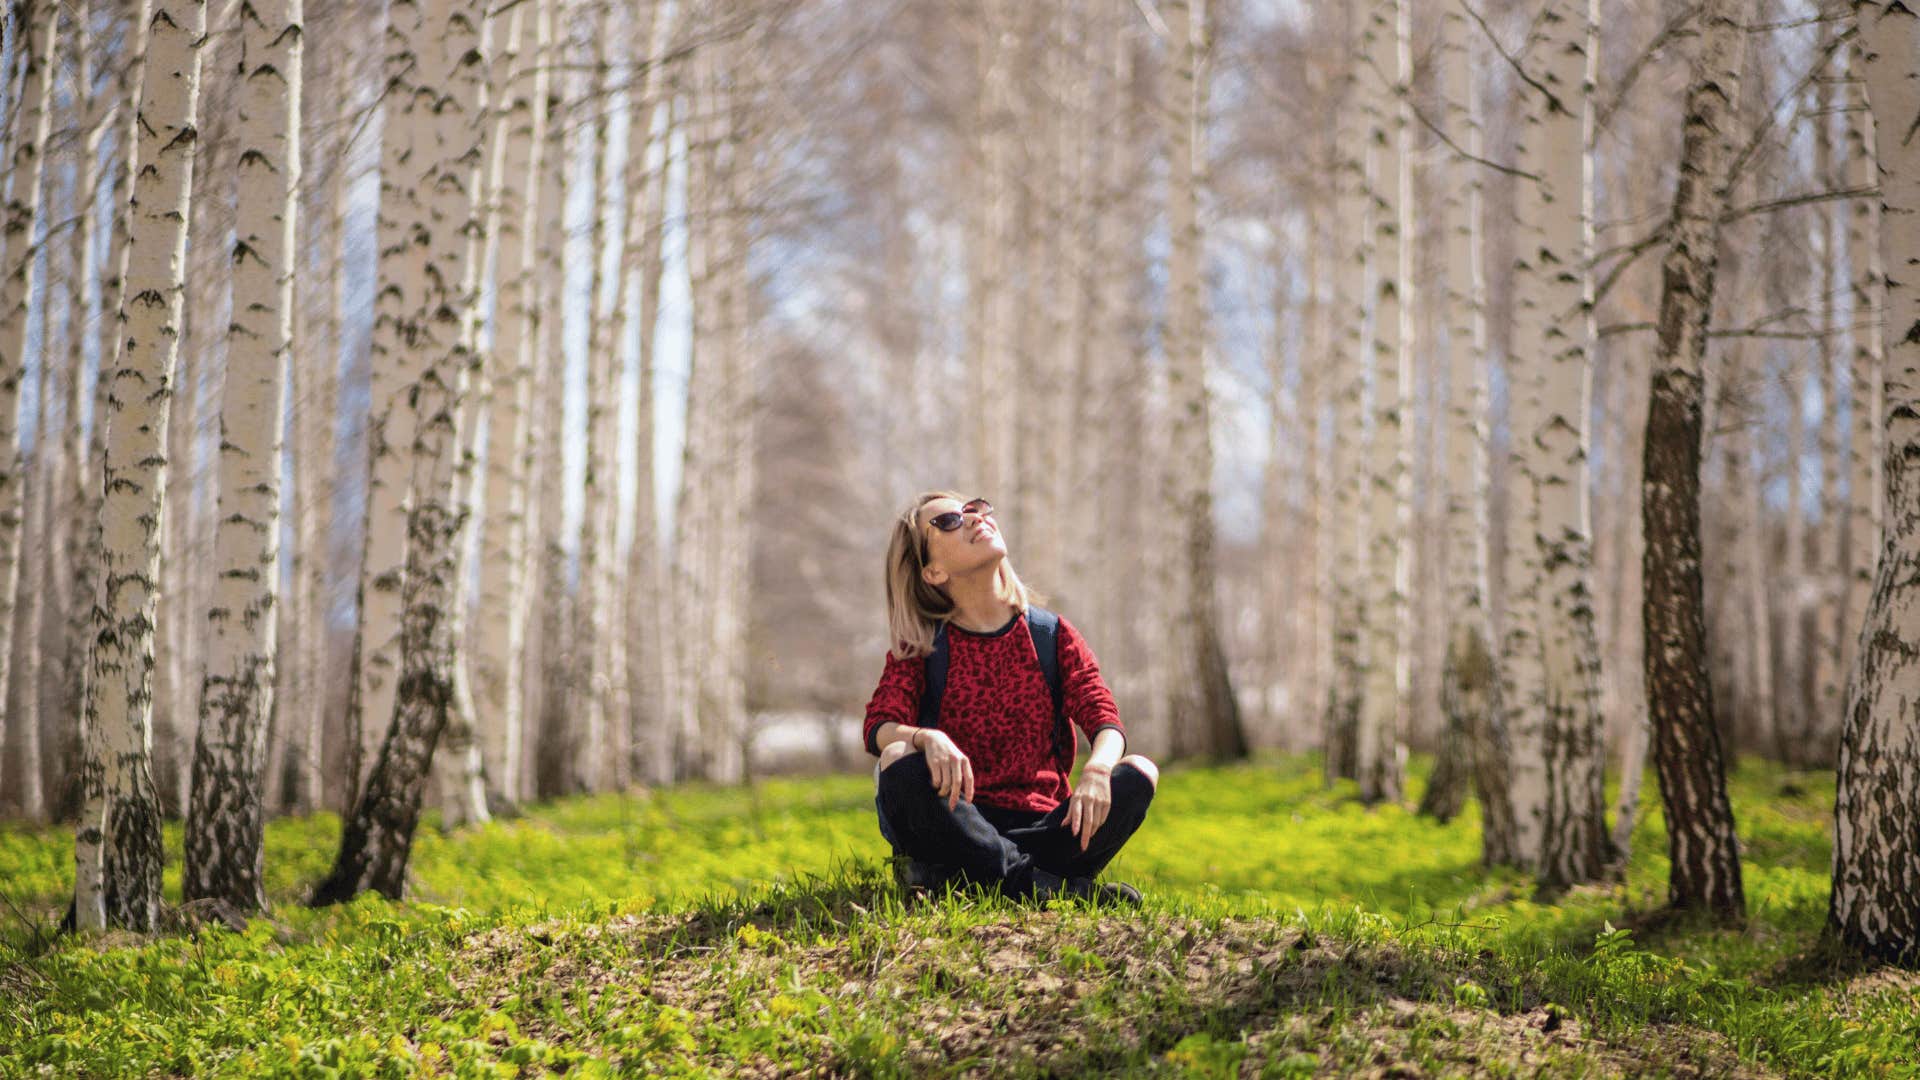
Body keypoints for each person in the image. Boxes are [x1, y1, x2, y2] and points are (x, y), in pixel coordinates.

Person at [862, 490, 1158, 903]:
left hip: (1045, 830)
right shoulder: (922, 647)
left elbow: (1104, 717)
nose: (973, 518)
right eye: (949, 521)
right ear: (932, 572)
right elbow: (879, 727)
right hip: (958, 824)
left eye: (975, 509)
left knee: (1140, 771)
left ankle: (1000, 880)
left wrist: (1097, 769)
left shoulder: (1051, 635)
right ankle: (1045, 886)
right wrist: (925, 737)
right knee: (898, 757)